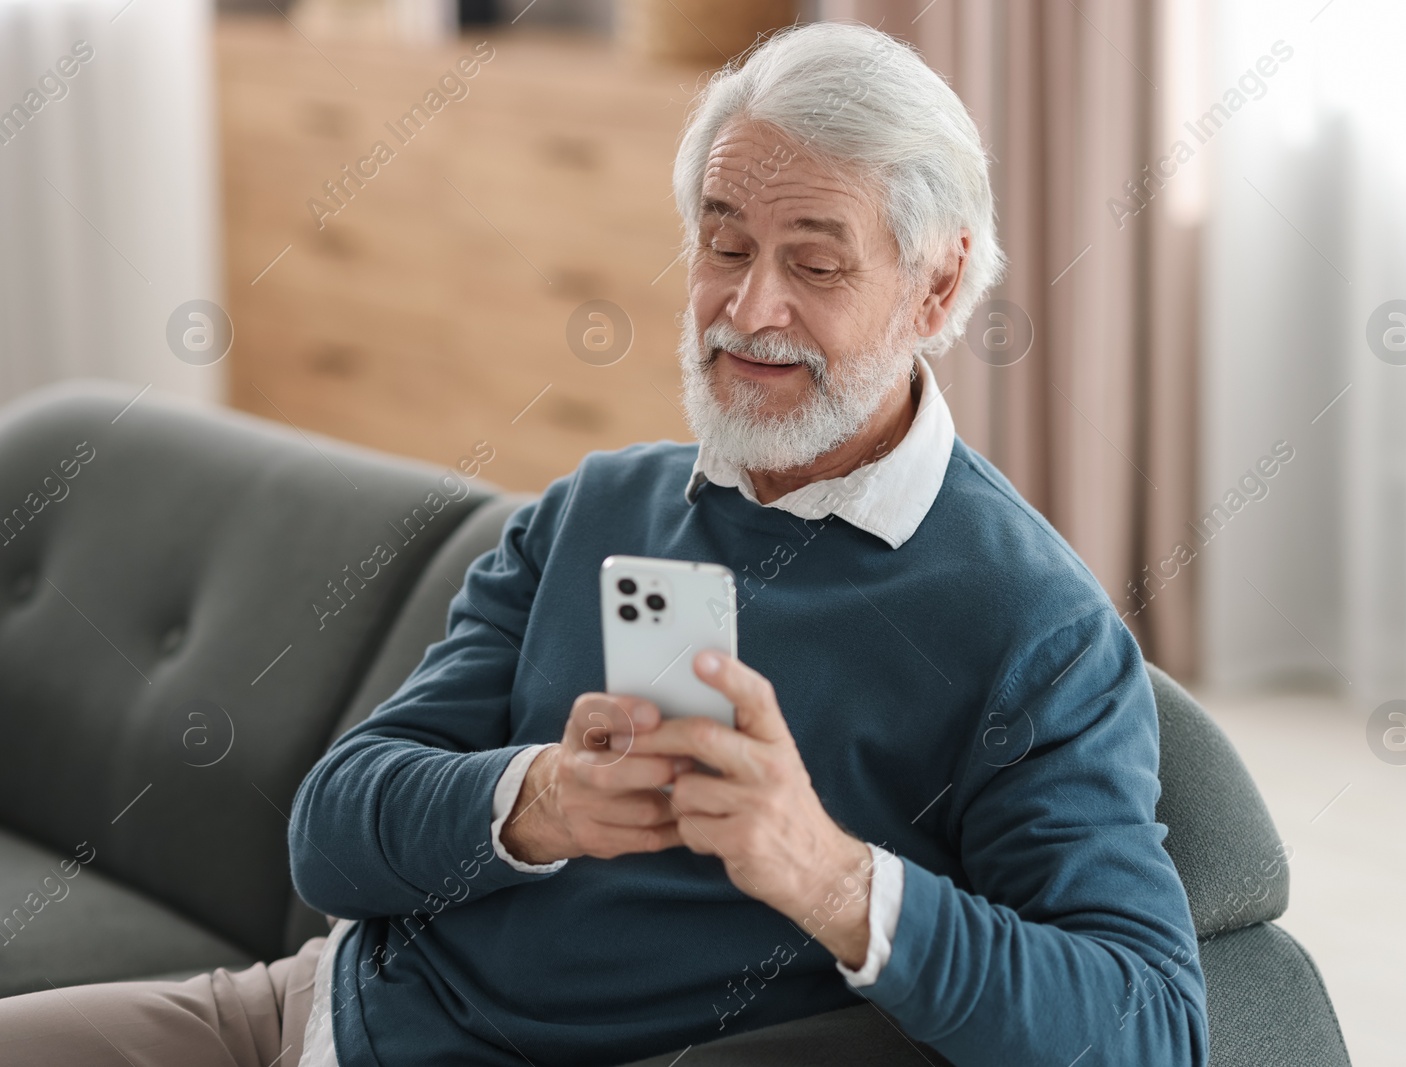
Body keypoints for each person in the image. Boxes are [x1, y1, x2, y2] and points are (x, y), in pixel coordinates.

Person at [0, 20, 1206, 1067]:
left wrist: (832, 879)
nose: (749, 310)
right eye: (725, 245)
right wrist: (538, 800)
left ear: (937, 293)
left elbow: (1152, 1027)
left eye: (816, 263)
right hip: (298, 1013)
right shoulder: (595, 508)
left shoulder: (1031, 628)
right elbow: (331, 830)